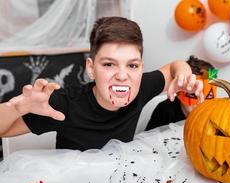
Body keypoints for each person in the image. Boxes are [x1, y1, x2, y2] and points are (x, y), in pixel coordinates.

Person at [0, 17, 204, 151]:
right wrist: (15, 108)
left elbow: (174, 67)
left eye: (132, 66)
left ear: (141, 67)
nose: (123, 76)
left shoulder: (142, 87)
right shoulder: (65, 103)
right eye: (109, 64)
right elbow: (3, 130)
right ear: (91, 68)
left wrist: (184, 75)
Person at [145, 56, 215, 131]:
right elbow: (149, 137)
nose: (201, 102)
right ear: (178, 93)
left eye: (209, 96)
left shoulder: (213, 113)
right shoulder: (165, 110)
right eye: (193, 94)